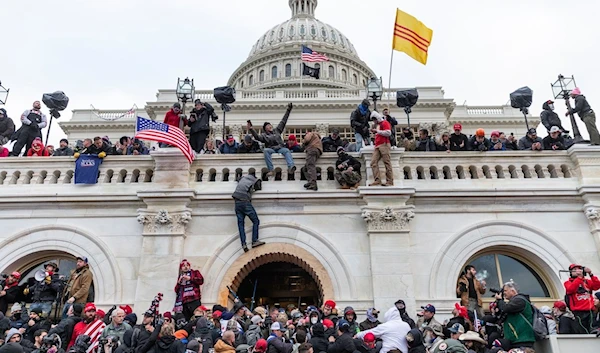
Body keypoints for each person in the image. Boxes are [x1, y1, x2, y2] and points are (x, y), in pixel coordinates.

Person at [248, 103, 296, 178]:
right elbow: (257, 137)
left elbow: (283, 121)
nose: (270, 126)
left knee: (286, 150)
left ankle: (291, 166)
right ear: (265, 129)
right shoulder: (264, 135)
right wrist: (251, 129)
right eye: (267, 126)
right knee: (266, 150)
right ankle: (271, 170)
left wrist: (288, 110)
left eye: (270, 125)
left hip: (280, 148)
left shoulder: (277, 130)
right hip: (272, 149)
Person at [495, 282, 534, 349]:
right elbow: (501, 317)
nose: (504, 293)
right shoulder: (513, 302)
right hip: (515, 339)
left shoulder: (520, 300)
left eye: (505, 290)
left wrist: (499, 300)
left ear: (512, 291)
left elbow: (505, 308)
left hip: (523, 340)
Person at [563, 264, 600, 333]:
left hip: (590, 311)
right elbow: (570, 289)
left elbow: (597, 286)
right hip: (578, 312)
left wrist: (590, 274)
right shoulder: (568, 282)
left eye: (579, 269)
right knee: (582, 330)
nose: (577, 271)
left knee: (593, 330)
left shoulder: (587, 282)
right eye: (575, 269)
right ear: (571, 272)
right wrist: (579, 278)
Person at [232, 175, 264, 252]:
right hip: (245, 202)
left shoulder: (243, 178)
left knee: (241, 224)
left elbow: (237, 179)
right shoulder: (255, 180)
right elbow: (259, 187)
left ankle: (243, 244)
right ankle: (254, 241)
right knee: (256, 221)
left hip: (237, 203)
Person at [369, 111, 393, 187]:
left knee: (387, 162)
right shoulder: (378, 125)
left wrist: (377, 131)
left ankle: (389, 181)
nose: (374, 121)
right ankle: (377, 180)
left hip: (384, 144)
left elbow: (388, 133)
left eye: (374, 120)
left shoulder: (384, 123)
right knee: (373, 162)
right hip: (378, 145)